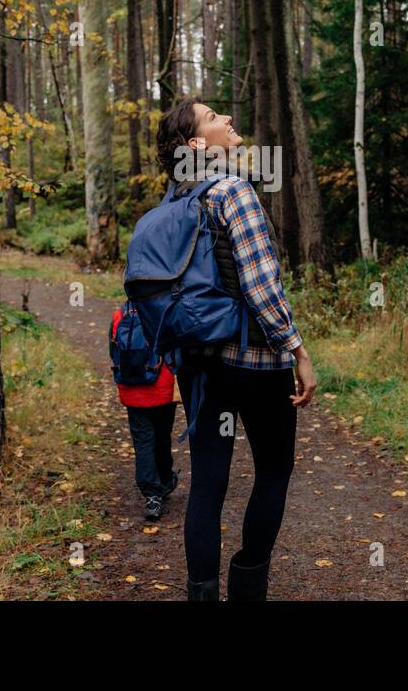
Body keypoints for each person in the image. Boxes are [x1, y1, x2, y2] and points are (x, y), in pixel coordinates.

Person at [154, 99, 317, 601]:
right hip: (253, 361)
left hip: (199, 365)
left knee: (208, 481)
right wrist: (297, 351)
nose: (227, 119)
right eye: (212, 117)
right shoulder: (234, 191)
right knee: (273, 467)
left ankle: (201, 593)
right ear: (199, 144)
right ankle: (248, 582)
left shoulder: (171, 204)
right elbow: (262, 286)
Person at [109, 308, 179, 521]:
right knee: (162, 435)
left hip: (132, 389)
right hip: (162, 388)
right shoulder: (166, 311)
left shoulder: (119, 314)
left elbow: (114, 352)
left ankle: (151, 495)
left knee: (142, 441)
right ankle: (165, 480)